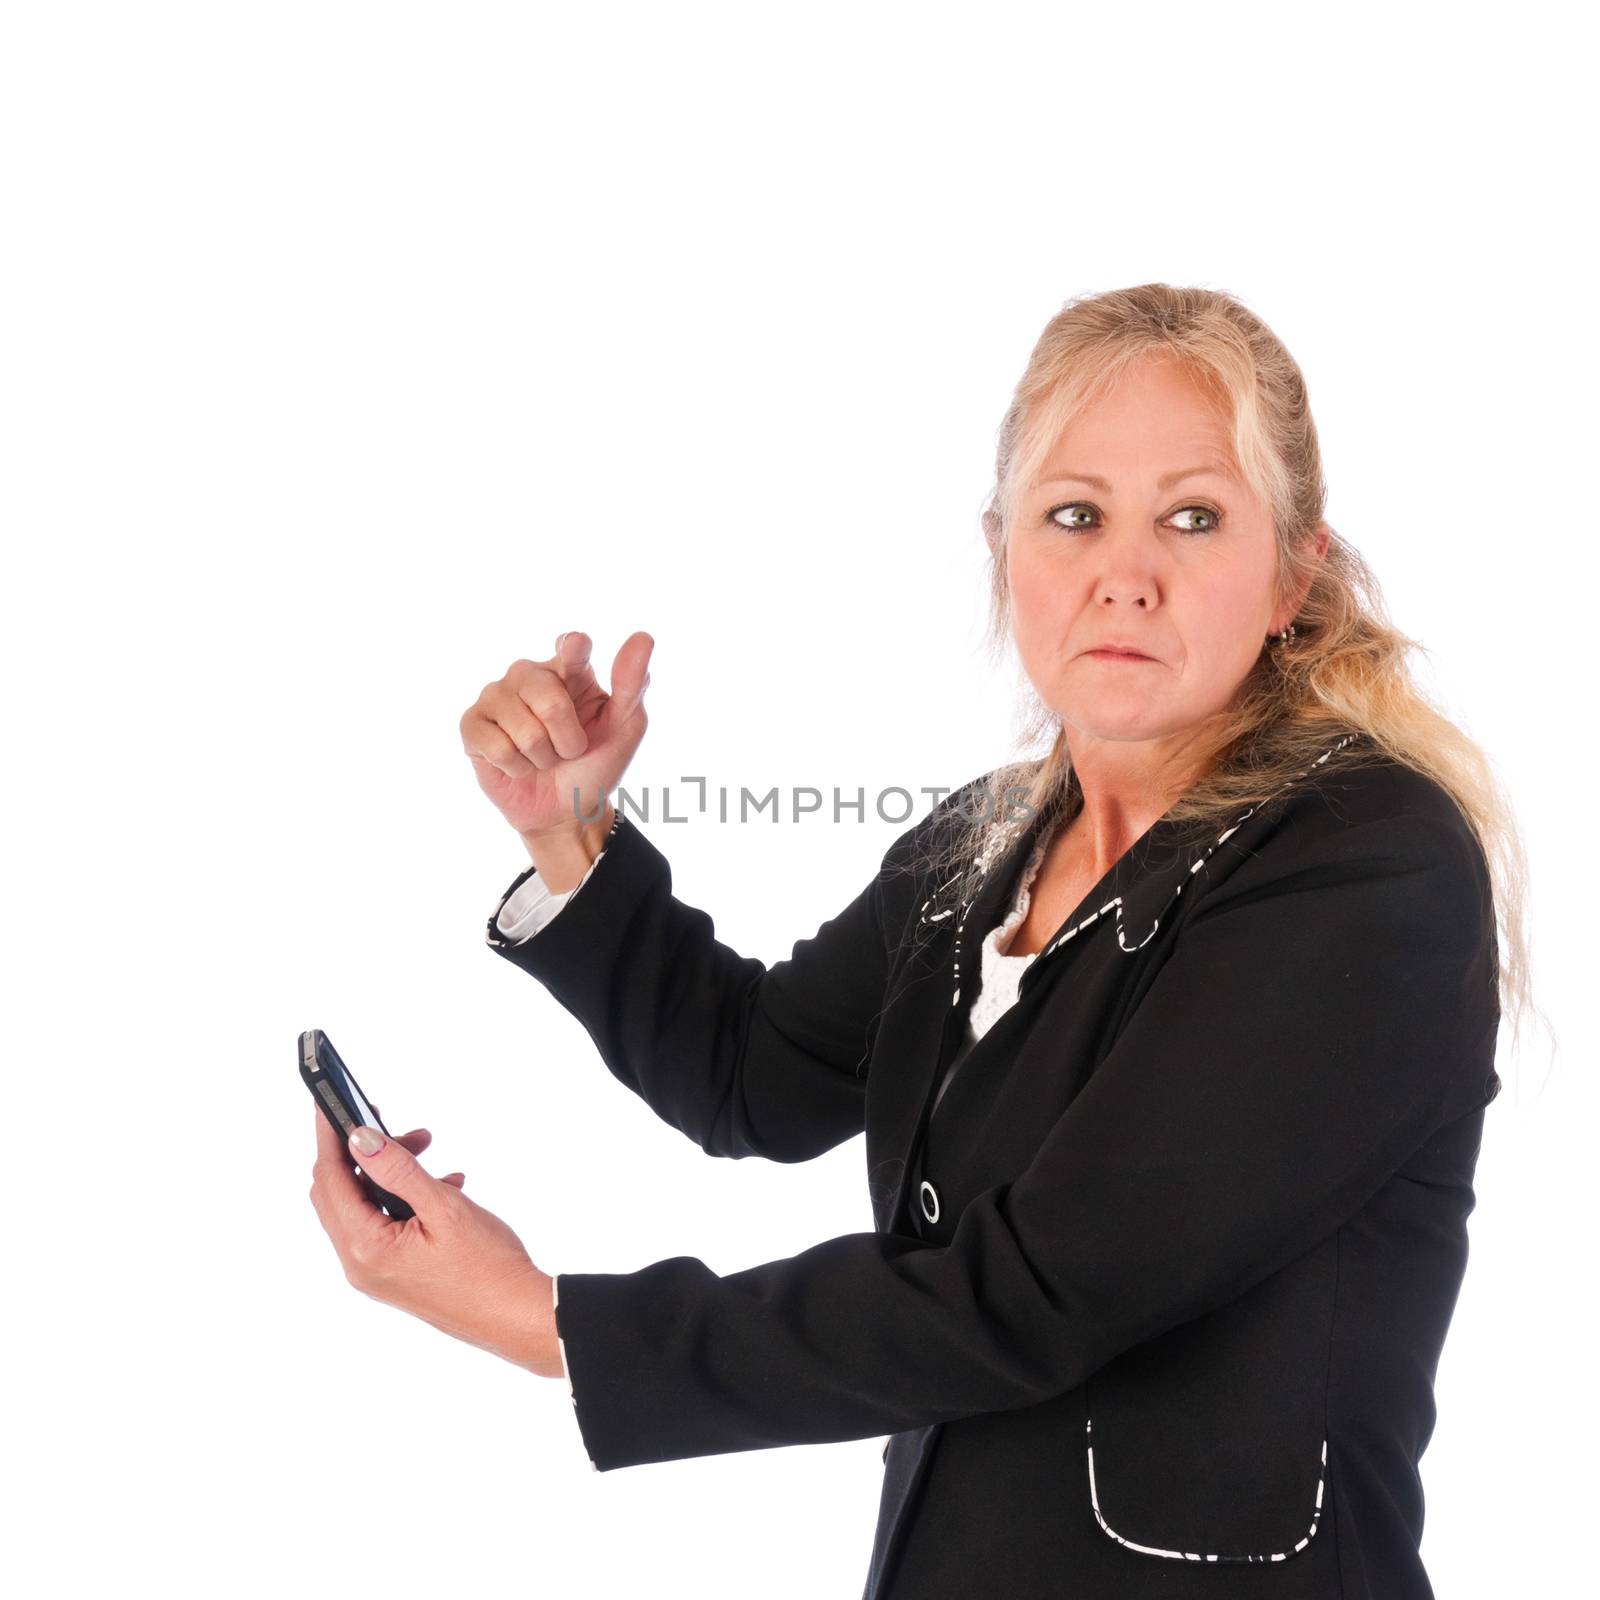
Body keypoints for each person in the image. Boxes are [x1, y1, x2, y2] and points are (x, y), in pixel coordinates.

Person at [309, 283, 1535, 1599]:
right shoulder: (986, 845)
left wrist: (542, 1320)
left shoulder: (1366, 861)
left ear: (1295, 570)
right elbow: (755, 1076)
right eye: (1075, 515)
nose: (1126, 571)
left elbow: (1036, 1289)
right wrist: (570, 832)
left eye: (1195, 515)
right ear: (1007, 551)